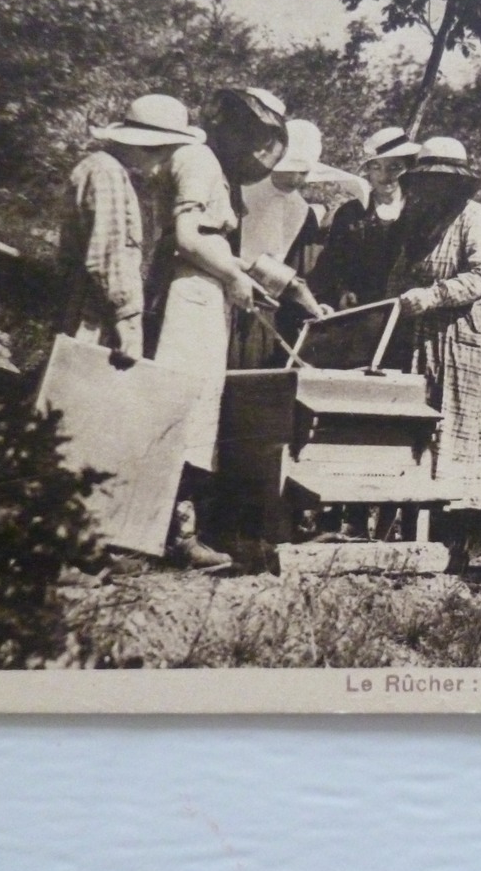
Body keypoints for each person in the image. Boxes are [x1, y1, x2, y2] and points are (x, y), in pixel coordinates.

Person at [145, 113, 277, 568]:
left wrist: (239, 273)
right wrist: (231, 277)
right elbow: (187, 238)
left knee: (195, 411)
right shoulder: (199, 160)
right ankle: (173, 533)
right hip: (191, 297)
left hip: (202, 290)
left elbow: (208, 241)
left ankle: (172, 529)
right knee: (187, 408)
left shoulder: (199, 162)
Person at [386, 137, 481, 511]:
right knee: (414, 423)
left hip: (461, 339)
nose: (433, 187)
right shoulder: (416, 222)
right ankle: (406, 515)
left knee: (456, 426)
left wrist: (434, 295)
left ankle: (455, 524)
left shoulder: (477, 218)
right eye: (427, 179)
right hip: (417, 338)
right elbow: (399, 273)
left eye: (442, 179)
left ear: (459, 181)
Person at [59, 94, 199, 360]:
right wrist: (127, 320)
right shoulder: (106, 173)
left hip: (91, 308)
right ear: (152, 147)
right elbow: (108, 255)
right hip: (93, 316)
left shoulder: (103, 169)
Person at [229, 118, 352, 366]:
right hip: (226, 296)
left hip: (263, 313)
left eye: (304, 173)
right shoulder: (238, 191)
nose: (299, 180)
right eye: (294, 170)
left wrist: (315, 305)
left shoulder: (300, 210)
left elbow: (302, 270)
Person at [309, 125, 421, 310]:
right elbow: (334, 261)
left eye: (395, 167)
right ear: (368, 172)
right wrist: (343, 291)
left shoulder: (416, 211)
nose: (385, 176)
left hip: (406, 307)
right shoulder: (351, 212)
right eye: (376, 167)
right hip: (358, 308)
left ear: (408, 169)